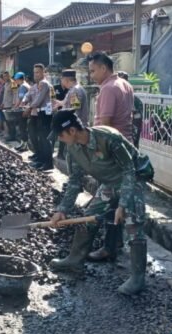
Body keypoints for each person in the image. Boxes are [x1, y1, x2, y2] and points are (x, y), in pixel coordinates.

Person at [48, 110, 148, 295]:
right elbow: (75, 180)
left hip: (133, 180)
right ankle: (74, 259)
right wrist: (63, 209)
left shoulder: (108, 138)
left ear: (71, 131)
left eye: (60, 135)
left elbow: (129, 170)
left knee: (133, 225)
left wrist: (123, 204)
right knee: (89, 218)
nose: (59, 140)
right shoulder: (72, 148)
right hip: (110, 183)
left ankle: (137, 278)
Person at [89, 51, 135, 141]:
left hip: (112, 145)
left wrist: (102, 148)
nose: (91, 76)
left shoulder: (108, 88)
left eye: (92, 71)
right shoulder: (126, 84)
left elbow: (105, 124)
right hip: (126, 140)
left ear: (103, 68)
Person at [24, 63, 54, 170]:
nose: (35, 74)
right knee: (40, 138)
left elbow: (39, 100)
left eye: (38, 72)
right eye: (34, 72)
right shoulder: (36, 85)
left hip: (45, 113)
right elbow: (30, 97)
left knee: (45, 139)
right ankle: (41, 160)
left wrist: (29, 108)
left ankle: (48, 163)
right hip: (40, 113)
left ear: (43, 72)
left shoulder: (44, 84)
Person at [53, 69, 88, 159]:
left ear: (66, 80)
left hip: (74, 129)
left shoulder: (75, 91)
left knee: (74, 157)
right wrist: (58, 103)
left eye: (62, 79)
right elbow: (67, 103)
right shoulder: (74, 90)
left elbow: (75, 110)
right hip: (73, 128)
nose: (61, 82)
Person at [12, 72, 30, 151]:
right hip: (27, 109)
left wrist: (15, 107)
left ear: (19, 79)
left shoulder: (23, 87)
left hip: (23, 110)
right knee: (23, 127)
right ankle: (23, 144)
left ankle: (24, 145)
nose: (15, 82)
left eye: (15, 80)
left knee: (22, 127)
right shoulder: (27, 85)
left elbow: (21, 99)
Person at [1, 72, 15, 141]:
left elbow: (15, 94)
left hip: (10, 106)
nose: (5, 77)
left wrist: (14, 104)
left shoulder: (13, 83)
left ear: (9, 76)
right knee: (8, 122)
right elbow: (5, 95)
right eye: (3, 76)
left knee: (11, 122)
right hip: (6, 105)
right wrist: (3, 103)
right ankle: (10, 135)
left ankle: (12, 136)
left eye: (6, 76)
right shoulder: (5, 84)